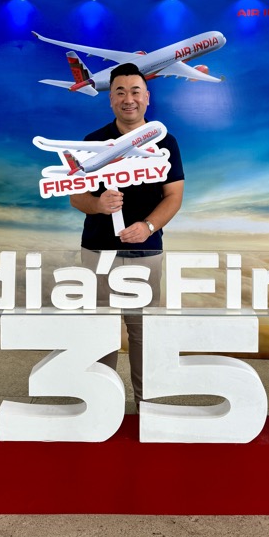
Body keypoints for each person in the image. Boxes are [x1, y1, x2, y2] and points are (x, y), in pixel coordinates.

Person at [70, 62, 184, 409]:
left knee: (143, 332)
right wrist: (98, 204)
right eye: (120, 91)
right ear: (110, 99)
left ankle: (146, 404)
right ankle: (102, 404)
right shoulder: (92, 142)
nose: (128, 99)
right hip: (98, 250)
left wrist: (148, 226)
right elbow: (77, 197)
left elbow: (174, 196)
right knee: (100, 329)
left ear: (147, 97)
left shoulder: (166, 142)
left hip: (146, 252)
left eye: (135, 91)